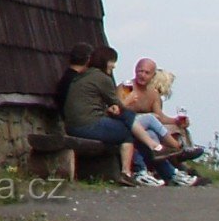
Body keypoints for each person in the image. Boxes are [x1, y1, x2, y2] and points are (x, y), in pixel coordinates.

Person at [62, 44, 187, 186]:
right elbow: (119, 106)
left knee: (136, 126)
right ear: (105, 61)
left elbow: (106, 106)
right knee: (128, 130)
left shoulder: (86, 76)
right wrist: (126, 102)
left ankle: (160, 165)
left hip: (75, 124)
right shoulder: (102, 78)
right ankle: (133, 170)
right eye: (112, 62)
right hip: (86, 125)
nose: (114, 66)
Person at [120, 58, 189, 154]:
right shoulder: (125, 88)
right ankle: (178, 147)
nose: (142, 75)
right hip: (125, 124)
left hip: (141, 130)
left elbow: (160, 117)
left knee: (152, 134)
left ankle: (168, 166)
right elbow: (116, 109)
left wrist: (176, 121)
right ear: (135, 71)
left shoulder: (153, 93)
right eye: (140, 71)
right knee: (150, 119)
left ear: (153, 76)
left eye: (147, 73)